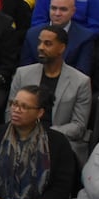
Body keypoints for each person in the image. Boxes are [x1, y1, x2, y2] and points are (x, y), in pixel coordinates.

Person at [9, 25, 92, 160]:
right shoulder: (22, 74)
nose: (40, 47)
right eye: (40, 42)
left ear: (62, 48)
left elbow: (78, 126)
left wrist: (45, 134)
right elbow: (10, 112)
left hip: (58, 141)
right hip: (21, 136)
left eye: (48, 44)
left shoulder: (81, 82)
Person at [20, 0, 97, 75]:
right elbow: (25, 72)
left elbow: (82, 74)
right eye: (53, 8)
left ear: (73, 11)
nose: (57, 13)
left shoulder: (85, 37)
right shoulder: (32, 35)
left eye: (63, 9)